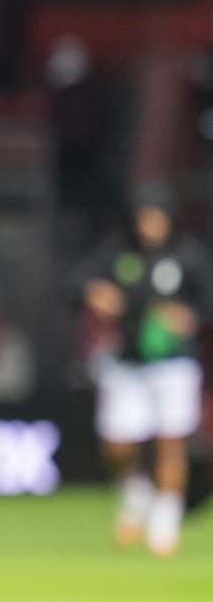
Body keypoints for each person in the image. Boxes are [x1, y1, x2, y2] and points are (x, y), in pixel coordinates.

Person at [80, 182, 213, 556]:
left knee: (171, 440)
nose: (150, 226)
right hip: (127, 361)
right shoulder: (119, 252)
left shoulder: (187, 255)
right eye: (144, 218)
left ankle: (164, 523)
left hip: (173, 364)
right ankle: (137, 493)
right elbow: (77, 280)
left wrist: (190, 317)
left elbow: (206, 302)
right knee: (117, 443)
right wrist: (94, 292)